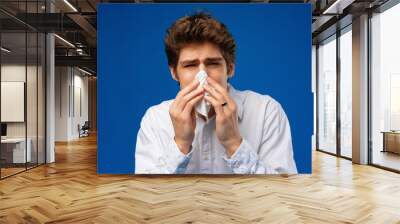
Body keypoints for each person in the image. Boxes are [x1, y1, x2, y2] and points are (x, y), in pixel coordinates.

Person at [135, 12, 297, 174]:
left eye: (212, 63)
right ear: (174, 73)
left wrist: (234, 144)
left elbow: (283, 192)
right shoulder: (155, 119)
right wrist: (180, 144)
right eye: (190, 65)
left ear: (230, 68)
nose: (202, 76)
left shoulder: (266, 111)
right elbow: (147, 194)